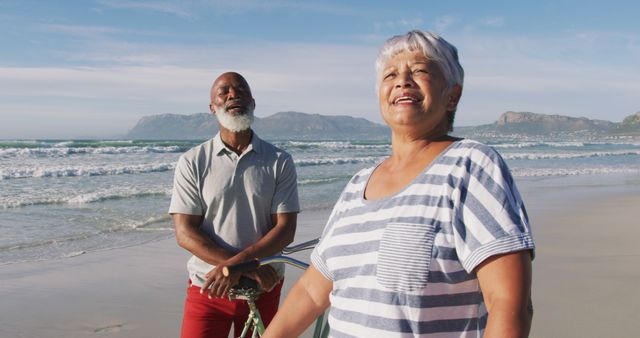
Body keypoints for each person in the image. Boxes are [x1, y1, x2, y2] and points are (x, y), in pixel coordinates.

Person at [263, 31, 535, 337]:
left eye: (419, 71)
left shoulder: (470, 166)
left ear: (452, 95)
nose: (402, 81)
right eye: (390, 74)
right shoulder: (357, 184)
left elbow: (509, 304)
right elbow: (313, 291)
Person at [169, 72, 300, 338]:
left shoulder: (279, 161)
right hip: (209, 287)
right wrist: (246, 268)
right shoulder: (193, 161)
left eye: (241, 90)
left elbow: (285, 229)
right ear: (212, 107)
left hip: (264, 288)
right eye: (224, 91)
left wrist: (238, 267)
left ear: (252, 101)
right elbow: (185, 233)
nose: (233, 95)